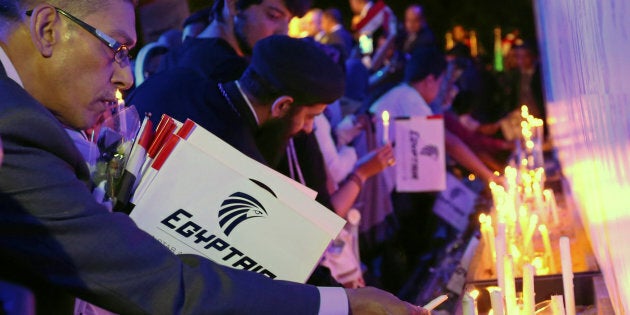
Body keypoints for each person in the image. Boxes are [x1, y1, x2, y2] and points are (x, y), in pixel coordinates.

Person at [0, 0, 428, 314]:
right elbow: (154, 282)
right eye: (116, 48)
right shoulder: (14, 127)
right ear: (48, 28)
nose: (126, 77)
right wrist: (344, 305)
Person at [156, 0, 311, 81]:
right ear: (234, 5)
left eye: (288, 21)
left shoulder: (176, 54)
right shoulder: (231, 74)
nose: (284, 32)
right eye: (274, 16)